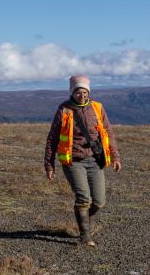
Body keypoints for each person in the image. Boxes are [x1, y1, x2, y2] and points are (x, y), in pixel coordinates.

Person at [45, 76, 122, 247]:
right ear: (72, 92)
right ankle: (85, 235)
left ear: (89, 92)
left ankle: (83, 218)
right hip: (73, 161)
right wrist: (49, 165)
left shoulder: (97, 108)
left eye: (85, 92)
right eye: (78, 92)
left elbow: (108, 133)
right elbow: (52, 138)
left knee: (99, 202)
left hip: (95, 159)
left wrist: (115, 157)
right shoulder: (64, 110)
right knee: (83, 198)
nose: (82, 95)